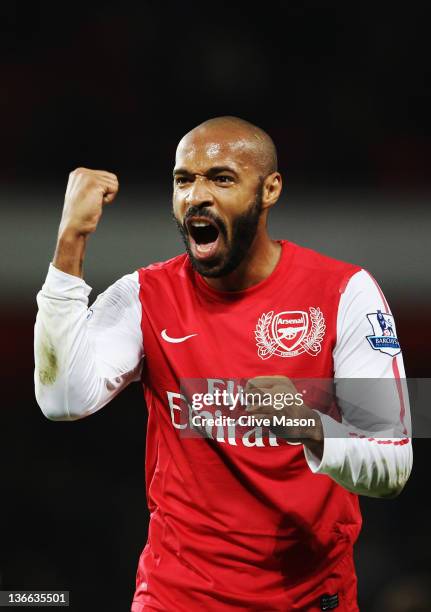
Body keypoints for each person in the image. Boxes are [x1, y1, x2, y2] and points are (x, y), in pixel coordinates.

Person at [34, 116, 412, 611]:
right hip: (176, 597)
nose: (196, 195)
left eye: (222, 178)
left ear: (270, 189)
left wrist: (310, 427)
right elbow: (60, 398)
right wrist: (72, 238)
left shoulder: (345, 293)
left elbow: (393, 466)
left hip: (309, 597)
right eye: (183, 180)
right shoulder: (147, 296)